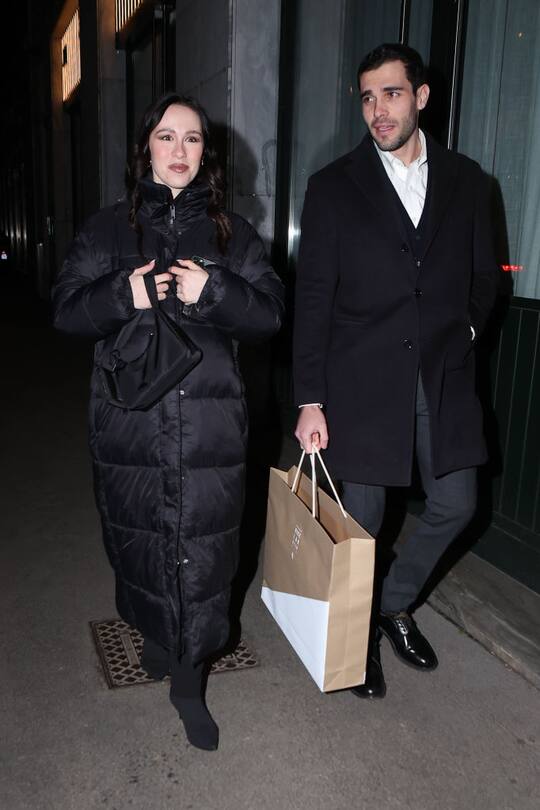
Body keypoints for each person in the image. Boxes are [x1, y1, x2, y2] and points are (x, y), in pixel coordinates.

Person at [53, 93, 284, 748]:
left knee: (206, 554)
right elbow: (66, 312)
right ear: (144, 148)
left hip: (211, 426)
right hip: (130, 422)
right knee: (141, 542)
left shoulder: (232, 232)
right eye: (165, 137)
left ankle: (189, 680)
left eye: (191, 139)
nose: (179, 150)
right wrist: (120, 294)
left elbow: (269, 315)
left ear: (205, 153)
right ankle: (162, 637)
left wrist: (213, 292)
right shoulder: (106, 230)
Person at [293, 44, 499, 699]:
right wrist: (310, 399)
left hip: (441, 378)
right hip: (360, 384)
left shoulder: (469, 182)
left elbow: (482, 276)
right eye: (367, 97)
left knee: (457, 501)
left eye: (391, 94)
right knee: (363, 523)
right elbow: (315, 298)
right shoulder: (333, 187)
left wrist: (465, 328)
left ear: (421, 96)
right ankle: (356, 644)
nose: (378, 111)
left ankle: (391, 603)